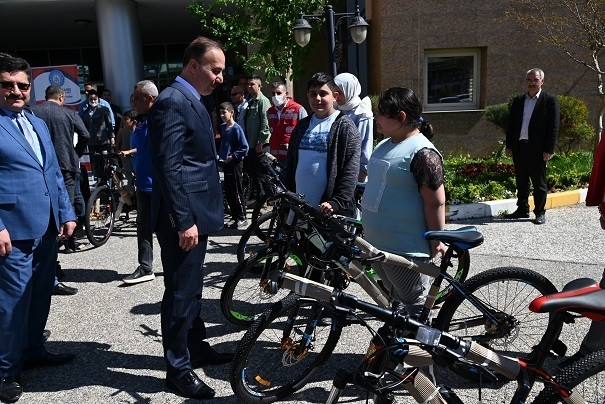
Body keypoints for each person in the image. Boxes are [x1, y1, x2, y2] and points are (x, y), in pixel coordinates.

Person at [148, 36, 233, 400]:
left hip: (196, 213)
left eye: (223, 72)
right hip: (184, 219)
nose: (220, 78)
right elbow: (169, 167)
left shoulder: (194, 99)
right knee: (181, 292)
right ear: (193, 66)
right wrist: (184, 221)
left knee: (193, 287)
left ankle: (195, 348)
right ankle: (178, 368)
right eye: (215, 70)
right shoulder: (171, 102)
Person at [0, 52, 77, 403]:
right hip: (12, 233)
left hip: (46, 227)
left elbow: (54, 173)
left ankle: (32, 350)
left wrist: (66, 213)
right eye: (7, 85)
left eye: (22, 85)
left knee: (41, 292)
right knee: (11, 303)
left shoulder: (37, 122)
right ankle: (6, 371)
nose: (16, 91)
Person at [361, 87, 446, 318]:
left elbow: (435, 202)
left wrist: (436, 238)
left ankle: (422, 350)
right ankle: (400, 344)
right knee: (397, 299)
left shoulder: (423, 152)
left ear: (400, 118)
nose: (376, 118)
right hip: (378, 244)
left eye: (381, 114)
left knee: (414, 304)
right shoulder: (386, 144)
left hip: (404, 247)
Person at [31, 84, 87, 296]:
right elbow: (85, 135)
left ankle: (49, 267)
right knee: (65, 213)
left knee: (45, 217)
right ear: (62, 97)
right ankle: (55, 266)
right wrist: (75, 154)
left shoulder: (33, 112)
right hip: (65, 166)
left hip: (39, 167)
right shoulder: (68, 113)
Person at [285, 72, 360, 217]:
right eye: (313, 94)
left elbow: (350, 169)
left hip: (327, 210)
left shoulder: (345, 127)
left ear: (335, 96)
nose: (317, 99)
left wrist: (337, 202)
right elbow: (291, 166)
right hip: (299, 208)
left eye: (323, 93)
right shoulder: (302, 126)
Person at [504, 68, 560, 225]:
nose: (532, 83)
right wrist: (509, 146)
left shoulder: (549, 101)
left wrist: (549, 149)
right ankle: (522, 209)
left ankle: (540, 212)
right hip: (520, 147)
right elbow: (512, 126)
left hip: (538, 149)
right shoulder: (519, 101)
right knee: (521, 181)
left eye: (535, 80)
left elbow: (553, 127)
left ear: (542, 81)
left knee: (539, 183)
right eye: (529, 80)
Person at [120, 80, 158, 285]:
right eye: (131, 98)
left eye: (137, 98)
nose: (132, 101)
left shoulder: (160, 119)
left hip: (160, 186)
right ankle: (145, 267)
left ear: (150, 98)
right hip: (143, 183)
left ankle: (176, 268)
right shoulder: (140, 121)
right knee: (143, 226)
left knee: (166, 229)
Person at [334, 72, 374, 182]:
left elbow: (365, 148)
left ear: (350, 90)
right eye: (335, 92)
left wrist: (357, 182)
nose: (337, 96)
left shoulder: (362, 112)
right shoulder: (336, 109)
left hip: (352, 176)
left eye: (340, 92)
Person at [218, 101, 249, 229]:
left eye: (224, 113)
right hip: (226, 164)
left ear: (232, 113)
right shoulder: (223, 127)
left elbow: (244, 147)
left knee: (237, 190)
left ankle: (242, 217)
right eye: (220, 113)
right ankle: (235, 216)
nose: (222, 115)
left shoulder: (237, 129)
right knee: (229, 191)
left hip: (235, 163)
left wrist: (233, 156)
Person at [267, 81, 307, 171]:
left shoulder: (298, 109)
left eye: (279, 93)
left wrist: (294, 145)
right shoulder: (270, 112)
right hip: (275, 158)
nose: (275, 96)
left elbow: (306, 132)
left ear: (286, 94)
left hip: (292, 157)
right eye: (273, 93)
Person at [244, 75, 272, 200]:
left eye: (252, 84)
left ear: (259, 86)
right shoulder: (250, 101)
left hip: (260, 145)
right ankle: (258, 198)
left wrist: (261, 142)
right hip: (251, 144)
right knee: (254, 173)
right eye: (248, 84)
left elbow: (265, 123)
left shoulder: (263, 101)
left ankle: (268, 199)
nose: (249, 87)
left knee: (263, 173)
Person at [82, 89, 115, 180]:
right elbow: (84, 127)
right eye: (91, 99)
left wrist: (112, 138)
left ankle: (107, 179)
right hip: (92, 141)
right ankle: (99, 179)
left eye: (95, 99)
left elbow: (109, 124)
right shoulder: (85, 112)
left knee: (105, 160)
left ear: (98, 99)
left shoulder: (104, 109)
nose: (93, 101)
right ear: (88, 100)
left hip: (103, 139)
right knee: (95, 161)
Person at [116, 110, 137, 195]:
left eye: (126, 120)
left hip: (136, 159)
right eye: (123, 120)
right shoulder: (125, 130)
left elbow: (140, 148)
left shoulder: (139, 132)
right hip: (126, 158)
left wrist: (129, 151)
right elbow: (119, 135)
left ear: (133, 121)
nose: (124, 122)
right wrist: (117, 147)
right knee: (129, 177)